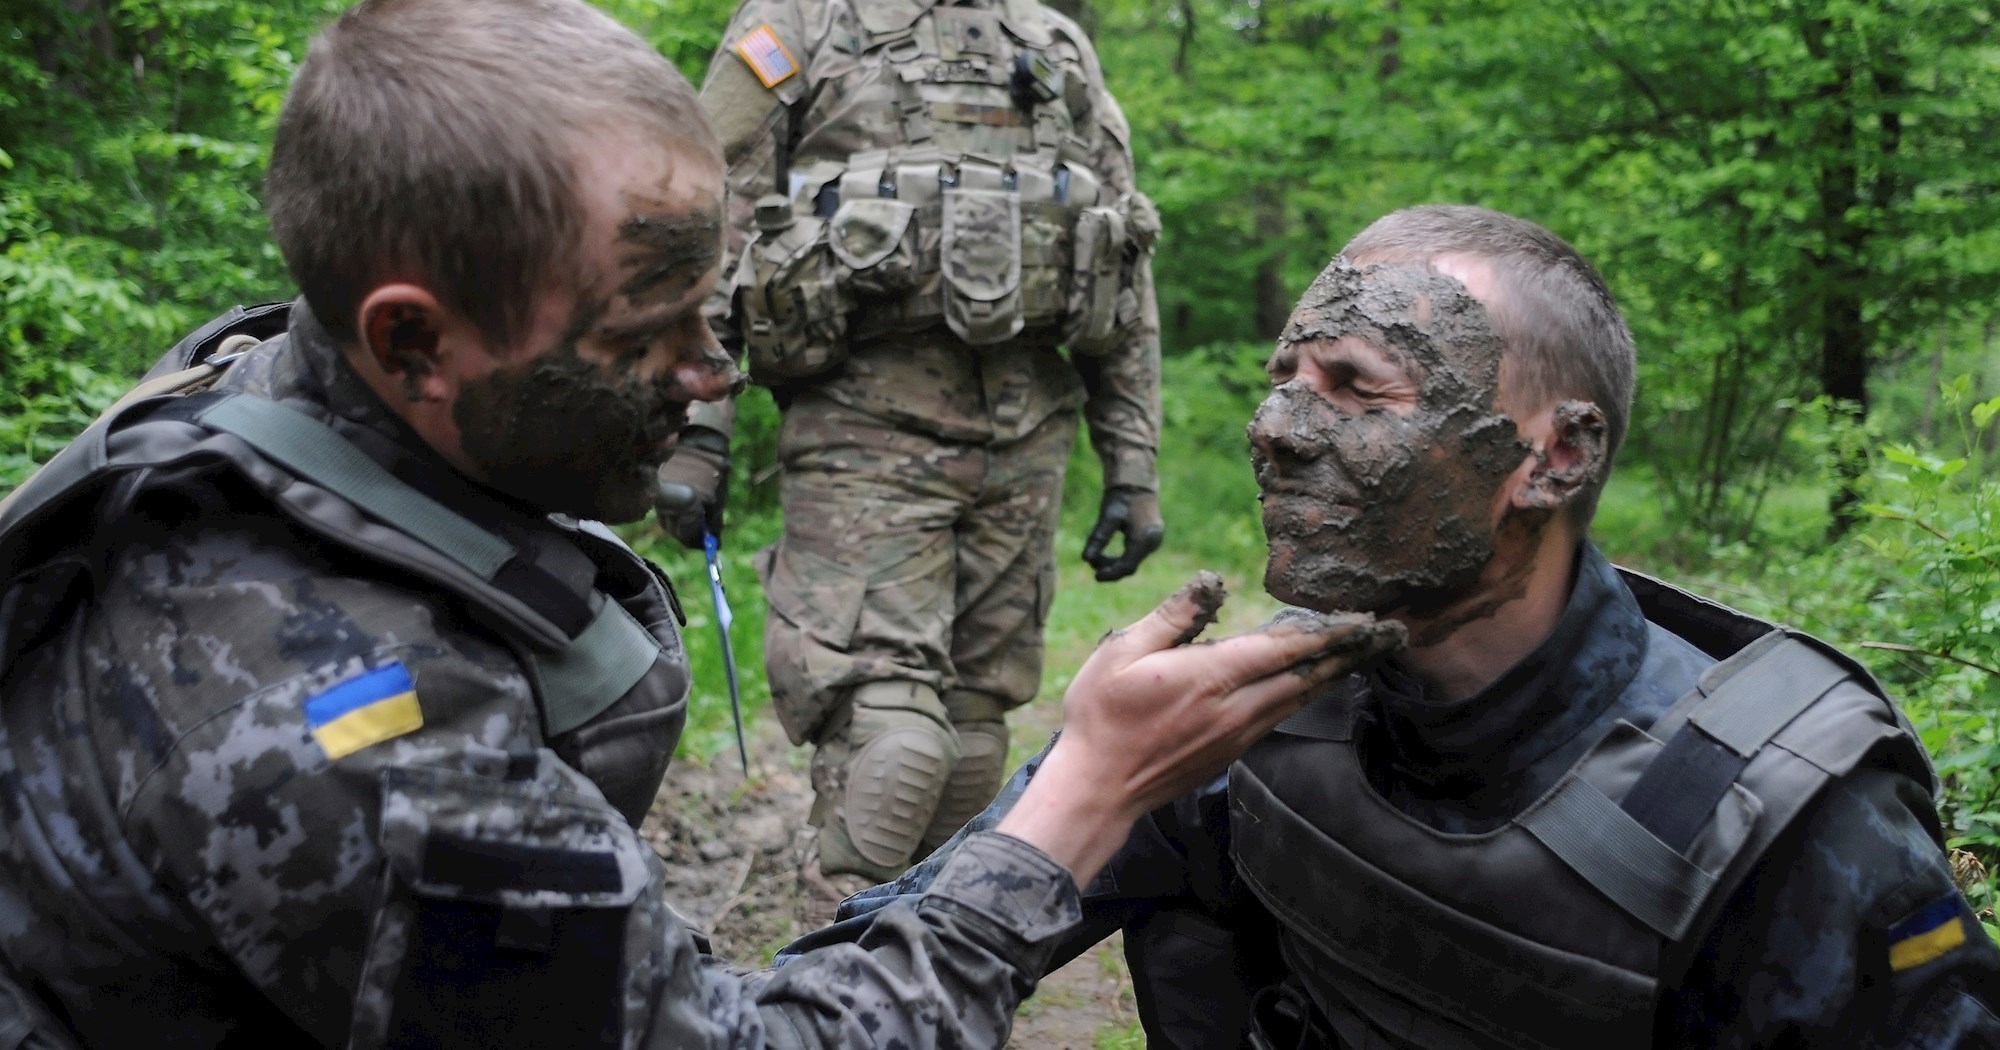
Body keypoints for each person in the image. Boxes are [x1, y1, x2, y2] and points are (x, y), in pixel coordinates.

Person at [0, 1, 1404, 1045]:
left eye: (712, 313)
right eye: (646, 335)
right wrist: (1088, 793)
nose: (716, 371)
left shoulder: (278, 394)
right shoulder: (351, 734)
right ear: (414, 342)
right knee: (898, 738)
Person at [831, 205, 2000, 1047]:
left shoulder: (1778, 818)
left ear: (1554, 455)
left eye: (1354, 387)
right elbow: (895, 957)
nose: (1272, 428)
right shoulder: (1239, 717)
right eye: (1284, 377)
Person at [652, 0, 1167, 905]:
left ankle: (937, 960)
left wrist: (1133, 462)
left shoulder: (1052, 44)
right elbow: (712, 220)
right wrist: (698, 429)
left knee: (973, 728)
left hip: (1027, 436)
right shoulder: (800, 24)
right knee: (890, 737)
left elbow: (1122, 249)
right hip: (861, 430)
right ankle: (838, 963)